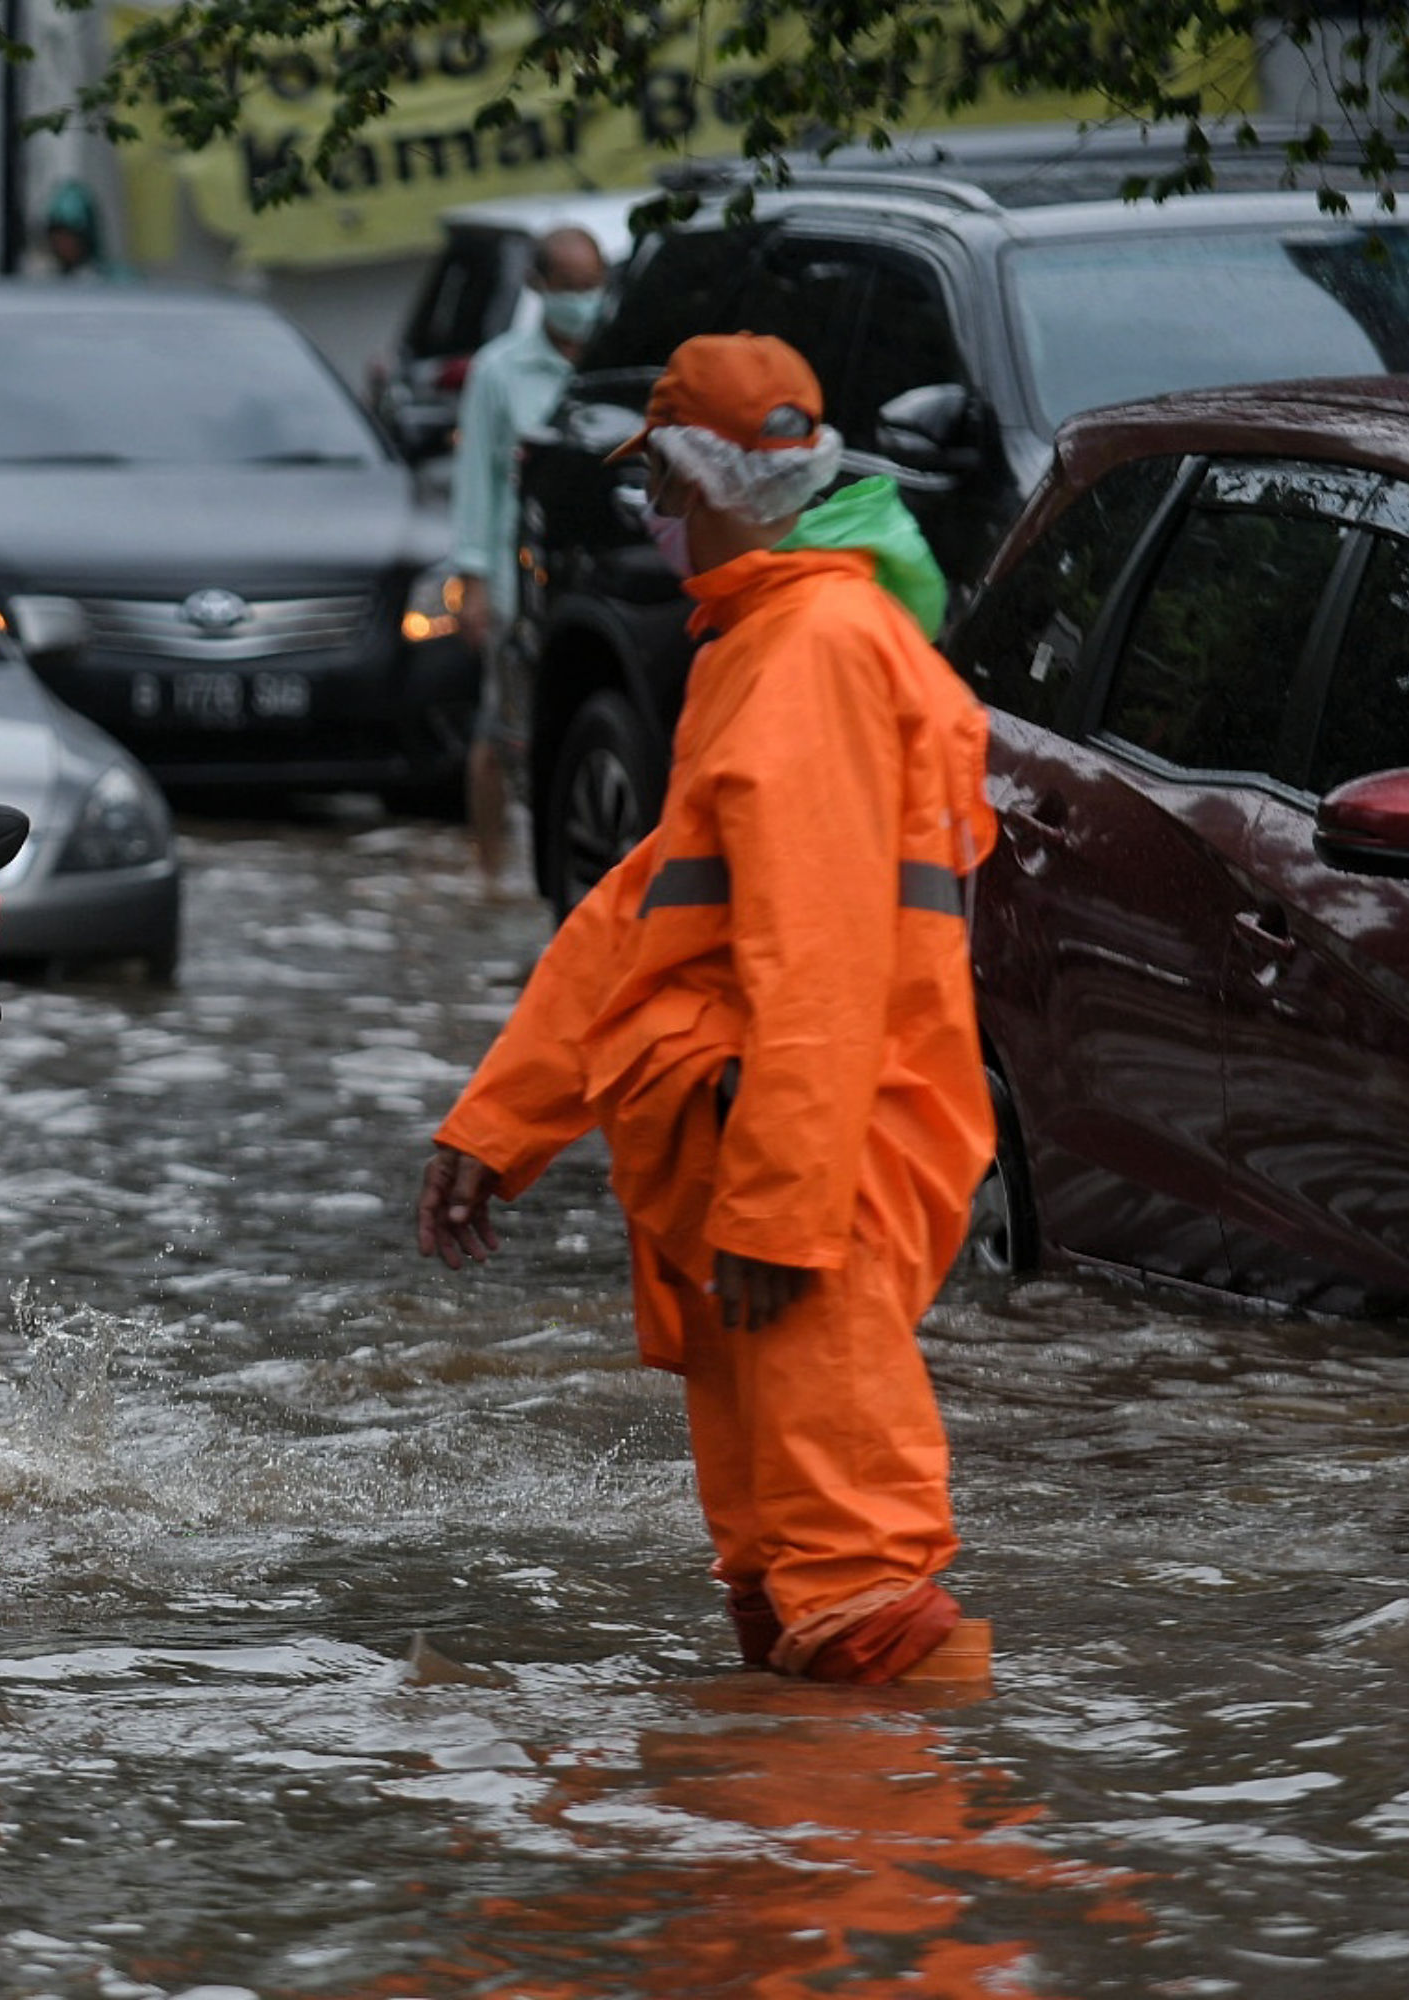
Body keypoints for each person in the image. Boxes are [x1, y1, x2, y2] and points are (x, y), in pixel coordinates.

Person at [414, 334, 997, 1686]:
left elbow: (824, 953)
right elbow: (641, 920)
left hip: (807, 1184)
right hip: (756, 1170)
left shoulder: (817, 655)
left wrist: (785, 1203)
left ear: (705, 477)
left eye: (661, 487)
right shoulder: (772, 646)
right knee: (783, 1587)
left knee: (855, 1594)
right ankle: (765, 1875)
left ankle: (882, 1874)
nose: (654, 518)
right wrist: (499, 1126)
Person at [448, 227, 608, 896]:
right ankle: (489, 869)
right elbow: (475, 481)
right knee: (500, 730)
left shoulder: (611, 360)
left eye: (591, 285)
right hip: (519, 583)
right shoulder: (499, 371)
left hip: (593, 577)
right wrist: (475, 580)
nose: (582, 301)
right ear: (539, 287)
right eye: (568, 286)